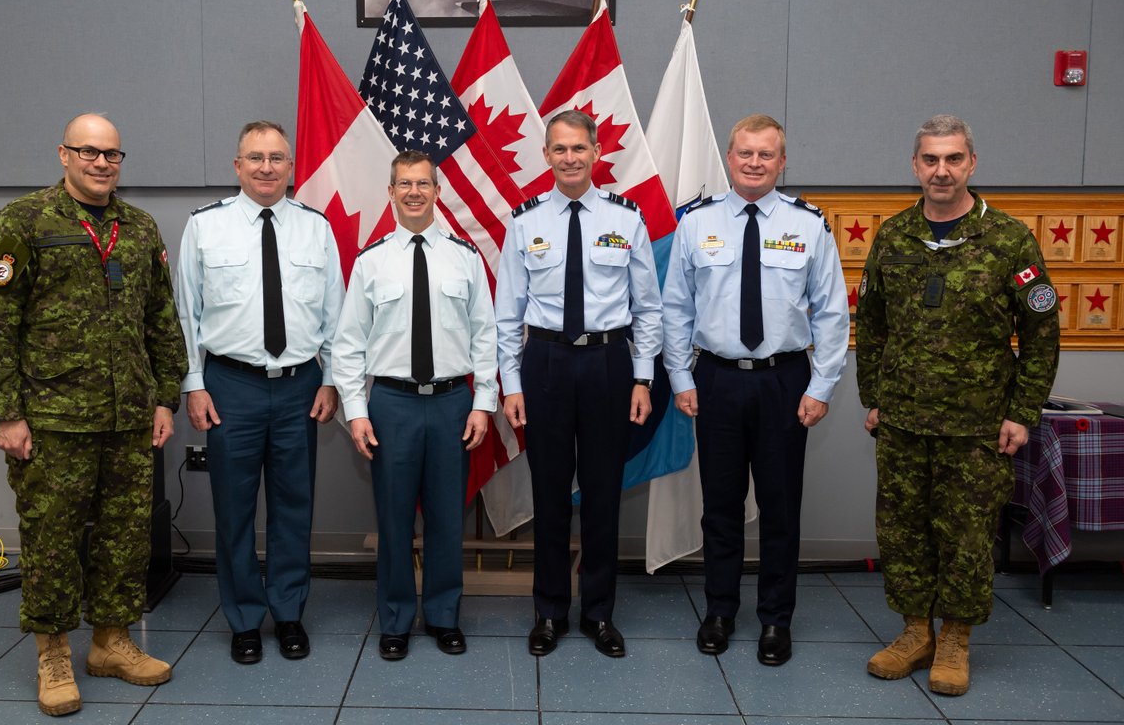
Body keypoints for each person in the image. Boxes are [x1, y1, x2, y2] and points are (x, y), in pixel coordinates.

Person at [0, 113, 187, 716]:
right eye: (90, 152)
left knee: (124, 537)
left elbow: (159, 318)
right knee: (52, 539)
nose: (102, 163)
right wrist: (7, 412)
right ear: (64, 155)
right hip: (52, 418)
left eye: (113, 155)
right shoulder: (23, 223)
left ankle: (112, 643)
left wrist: (165, 395)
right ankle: (53, 653)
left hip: (127, 415)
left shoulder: (139, 227)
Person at [857, 114, 1059, 695]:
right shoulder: (893, 237)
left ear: (971, 164)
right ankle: (915, 630)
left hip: (977, 427)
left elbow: (1041, 333)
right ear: (914, 166)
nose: (940, 170)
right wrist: (874, 398)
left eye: (952, 159)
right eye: (929, 159)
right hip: (901, 423)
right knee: (901, 531)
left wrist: (1022, 412)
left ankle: (955, 638)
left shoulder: (1009, 239)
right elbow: (868, 327)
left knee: (967, 536)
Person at [662, 114, 849, 666]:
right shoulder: (697, 223)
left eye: (766, 154)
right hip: (715, 377)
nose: (754, 162)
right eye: (745, 153)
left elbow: (832, 314)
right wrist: (679, 376)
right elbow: (676, 306)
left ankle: (775, 620)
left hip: (784, 381)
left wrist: (821, 385)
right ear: (729, 155)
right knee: (719, 507)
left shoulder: (808, 224)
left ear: (782, 161)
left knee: (780, 507)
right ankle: (720, 610)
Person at [174, 120, 344, 665]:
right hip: (231, 386)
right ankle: (245, 619)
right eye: (255, 157)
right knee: (234, 508)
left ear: (291, 167)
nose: (267, 167)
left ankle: (289, 612)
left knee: (295, 507)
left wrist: (334, 379)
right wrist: (194, 384)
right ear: (237, 165)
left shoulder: (316, 228)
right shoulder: (205, 227)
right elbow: (186, 314)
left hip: (299, 387)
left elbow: (334, 314)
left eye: (277, 158)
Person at [495, 109, 662, 658]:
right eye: (559, 149)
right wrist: (511, 385)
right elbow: (507, 313)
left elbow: (648, 310)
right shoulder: (524, 221)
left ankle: (598, 614)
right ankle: (548, 613)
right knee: (547, 494)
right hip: (543, 362)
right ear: (546, 155)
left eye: (579, 148)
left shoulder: (626, 217)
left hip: (608, 364)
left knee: (603, 494)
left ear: (596, 154)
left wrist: (642, 378)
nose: (569, 158)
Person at [332, 150, 497, 660]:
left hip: (452, 402)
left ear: (437, 191)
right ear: (390, 192)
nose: (413, 192)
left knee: (448, 518)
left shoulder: (464, 257)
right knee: (395, 518)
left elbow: (485, 335)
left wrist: (483, 403)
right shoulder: (371, 260)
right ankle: (397, 618)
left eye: (423, 183)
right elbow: (348, 344)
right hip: (392, 405)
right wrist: (356, 412)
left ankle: (444, 615)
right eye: (404, 184)